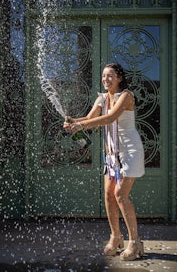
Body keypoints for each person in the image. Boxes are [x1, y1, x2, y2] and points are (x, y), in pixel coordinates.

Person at [64, 62, 145, 261]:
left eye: (110, 76)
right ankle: (116, 237)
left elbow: (109, 119)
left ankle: (135, 242)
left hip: (129, 151)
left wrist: (81, 125)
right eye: (103, 76)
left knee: (120, 194)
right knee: (109, 195)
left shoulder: (126, 96)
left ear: (119, 78)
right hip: (111, 154)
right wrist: (73, 122)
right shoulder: (101, 98)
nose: (105, 79)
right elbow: (91, 118)